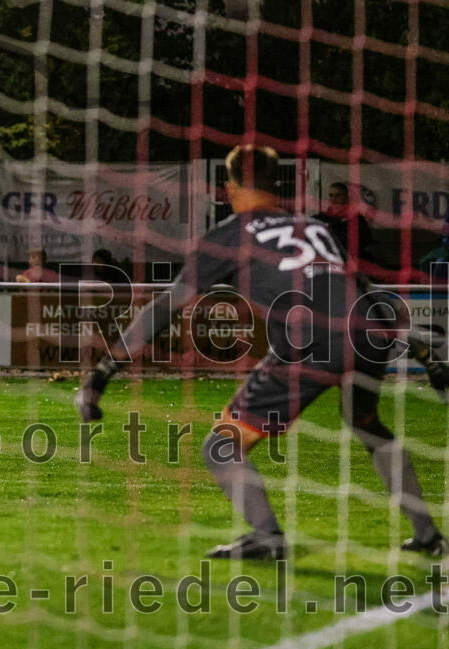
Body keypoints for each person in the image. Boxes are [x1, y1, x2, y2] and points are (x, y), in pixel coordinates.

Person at [76, 144, 448, 559]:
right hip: (367, 336)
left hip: (309, 344)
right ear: (277, 186)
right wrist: (417, 348)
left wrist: (101, 374)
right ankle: (429, 536)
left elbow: (165, 307)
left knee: (220, 446)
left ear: (230, 187)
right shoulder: (315, 228)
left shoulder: (229, 235)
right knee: (368, 426)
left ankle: (267, 537)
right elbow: (363, 290)